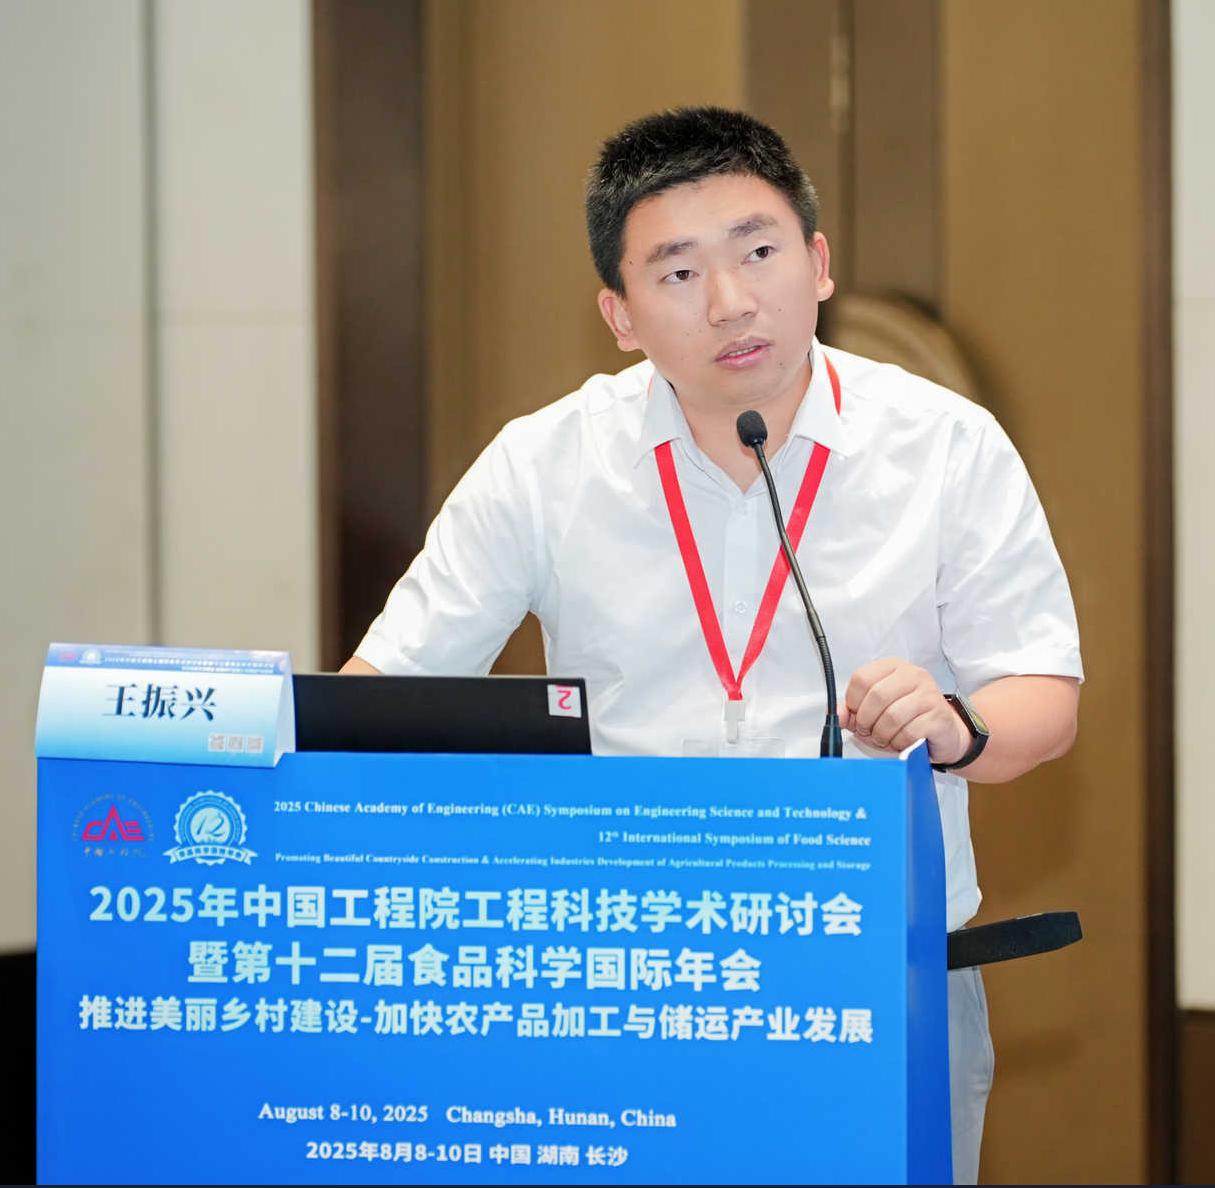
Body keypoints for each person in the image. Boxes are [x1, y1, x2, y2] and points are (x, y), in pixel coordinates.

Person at [342, 106, 1083, 1184]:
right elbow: (381, 698)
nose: (731, 301)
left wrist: (957, 724)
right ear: (619, 314)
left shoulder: (945, 446)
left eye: (758, 252)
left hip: (871, 975)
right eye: (679, 273)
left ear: (818, 263)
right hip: (620, 980)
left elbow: (1043, 697)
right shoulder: (543, 466)